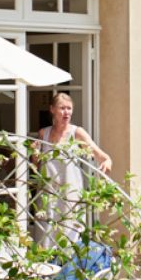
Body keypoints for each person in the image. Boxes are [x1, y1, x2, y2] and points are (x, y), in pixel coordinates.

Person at [33, 93, 111, 247]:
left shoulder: (77, 133)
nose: (66, 112)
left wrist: (107, 161)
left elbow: (100, 155)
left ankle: (68, 269)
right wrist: (34, 154)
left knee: (69, 237)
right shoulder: (44, 133)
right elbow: (36, 166)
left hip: (70, 196)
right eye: (62, 108)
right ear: (52, 110)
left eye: (69, 108)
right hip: (48, 194)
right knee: (45, 237)